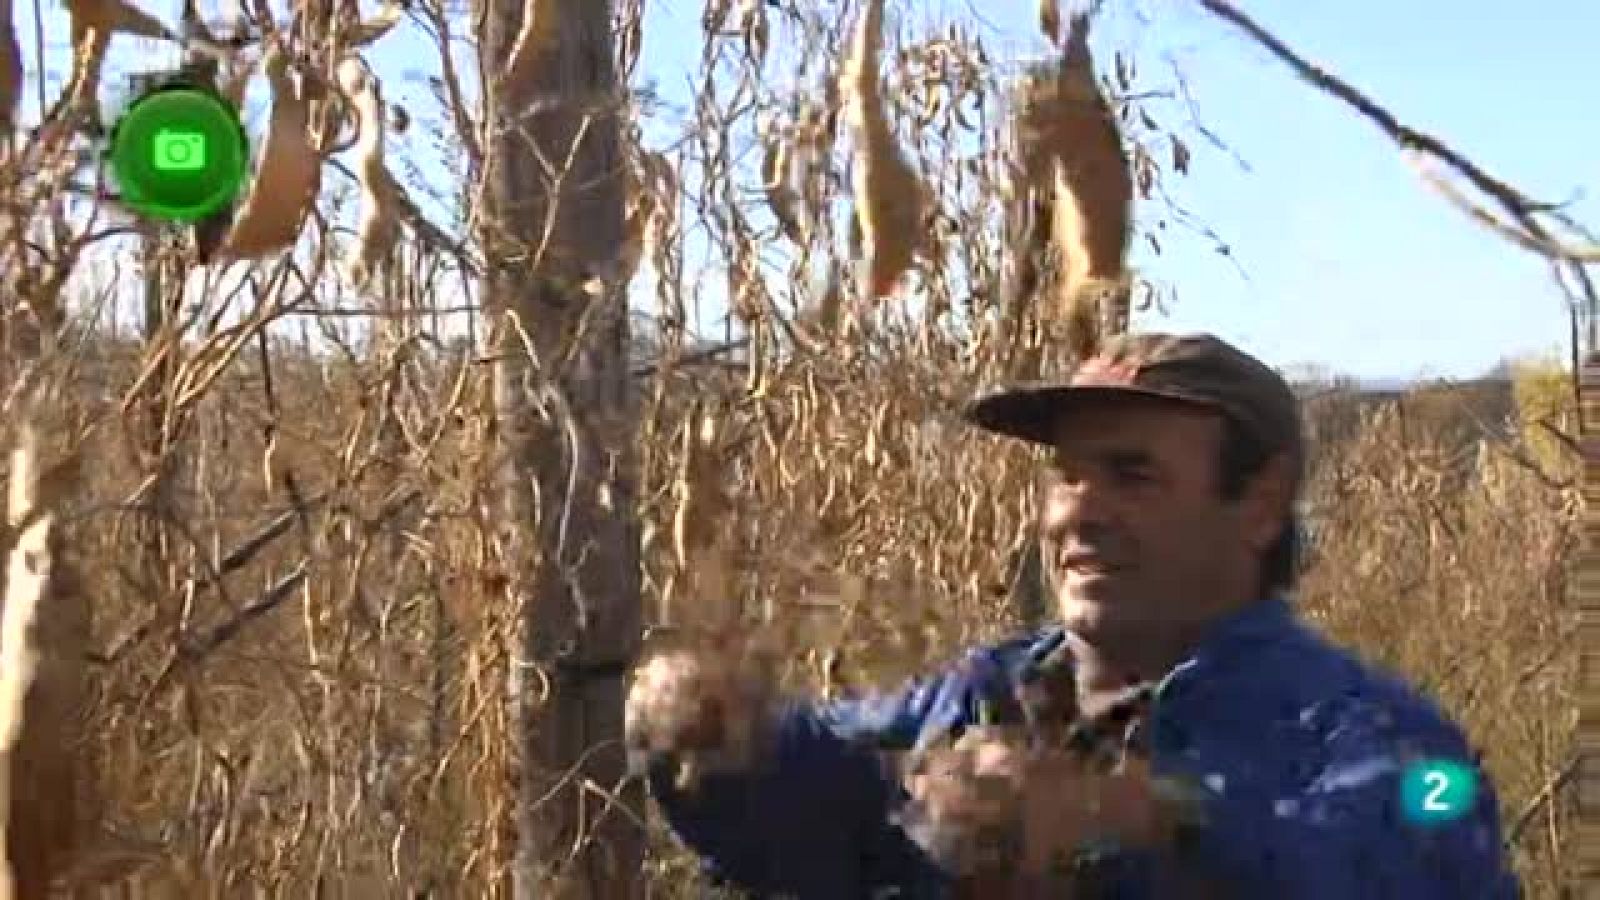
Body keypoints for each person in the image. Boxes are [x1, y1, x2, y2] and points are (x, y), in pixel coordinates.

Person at [624, 331, 1521, 898]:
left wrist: (1138, 820)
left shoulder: (1387, 744)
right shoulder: (982, 695)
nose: (1072, 513)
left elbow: (1409, 852)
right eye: (1066, 475)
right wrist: (711, 732)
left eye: (1131, 475)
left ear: (1258, 504)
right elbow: (827, 802)